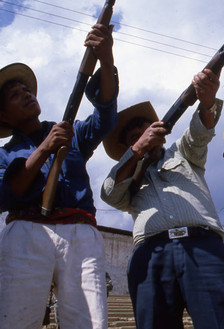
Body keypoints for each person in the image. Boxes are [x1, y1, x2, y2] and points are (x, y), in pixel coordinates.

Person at [100, 69, 224, 329]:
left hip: (203, 248)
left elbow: (200, 133)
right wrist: (138, 151)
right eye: (133, 137)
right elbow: (109, 192)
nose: (141, 135)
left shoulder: (182, 152)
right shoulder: (127, 176)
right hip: (150, 255)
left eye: (144, 129)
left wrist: (207, 100)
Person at [0, 23, 117, 329]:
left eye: (26, 90)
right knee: (15, 320)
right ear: (3, 116)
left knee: (90, 323)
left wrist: (106, 58)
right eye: (15, 95)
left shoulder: (72, 132)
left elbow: (105, 119)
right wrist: (45, 149)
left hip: (80, 231)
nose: (26, 95)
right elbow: (6, 194)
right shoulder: (3, 155)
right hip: (25, 232)